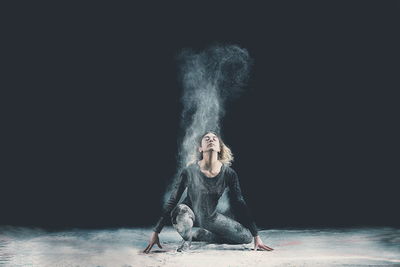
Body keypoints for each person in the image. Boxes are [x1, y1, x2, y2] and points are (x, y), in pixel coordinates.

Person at [143, 131, 273, 253]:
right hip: (187, 214)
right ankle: (187, 240)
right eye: (207, 138)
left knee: (246, 238)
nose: (211, 139)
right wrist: (156, 231)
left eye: (214, 138)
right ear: (200, 148)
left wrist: (256, 235)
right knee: (180, 210)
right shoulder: (190, 171)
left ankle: (200, 234)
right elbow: (173, 200)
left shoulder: (229, 173)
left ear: (220, 148)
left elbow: (239, 202)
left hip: (210, 217)